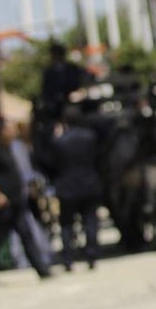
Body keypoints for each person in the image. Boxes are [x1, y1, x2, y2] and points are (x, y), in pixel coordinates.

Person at [0, 119, 52, 284]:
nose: (14, 131)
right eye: (10, 128)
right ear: (1, 131)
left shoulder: (11, 147)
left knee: (27, 235)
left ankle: (42, 270)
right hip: (3, 204)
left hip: (16, 201)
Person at [43, 114, 104, 271]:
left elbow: (49, 163)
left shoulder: (59, 141)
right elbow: (99, 158)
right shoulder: (90, 137)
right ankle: (92, 256)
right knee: (90, 221)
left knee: (67, 224)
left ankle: (68, 259)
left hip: (67, 187)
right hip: (89, 184)